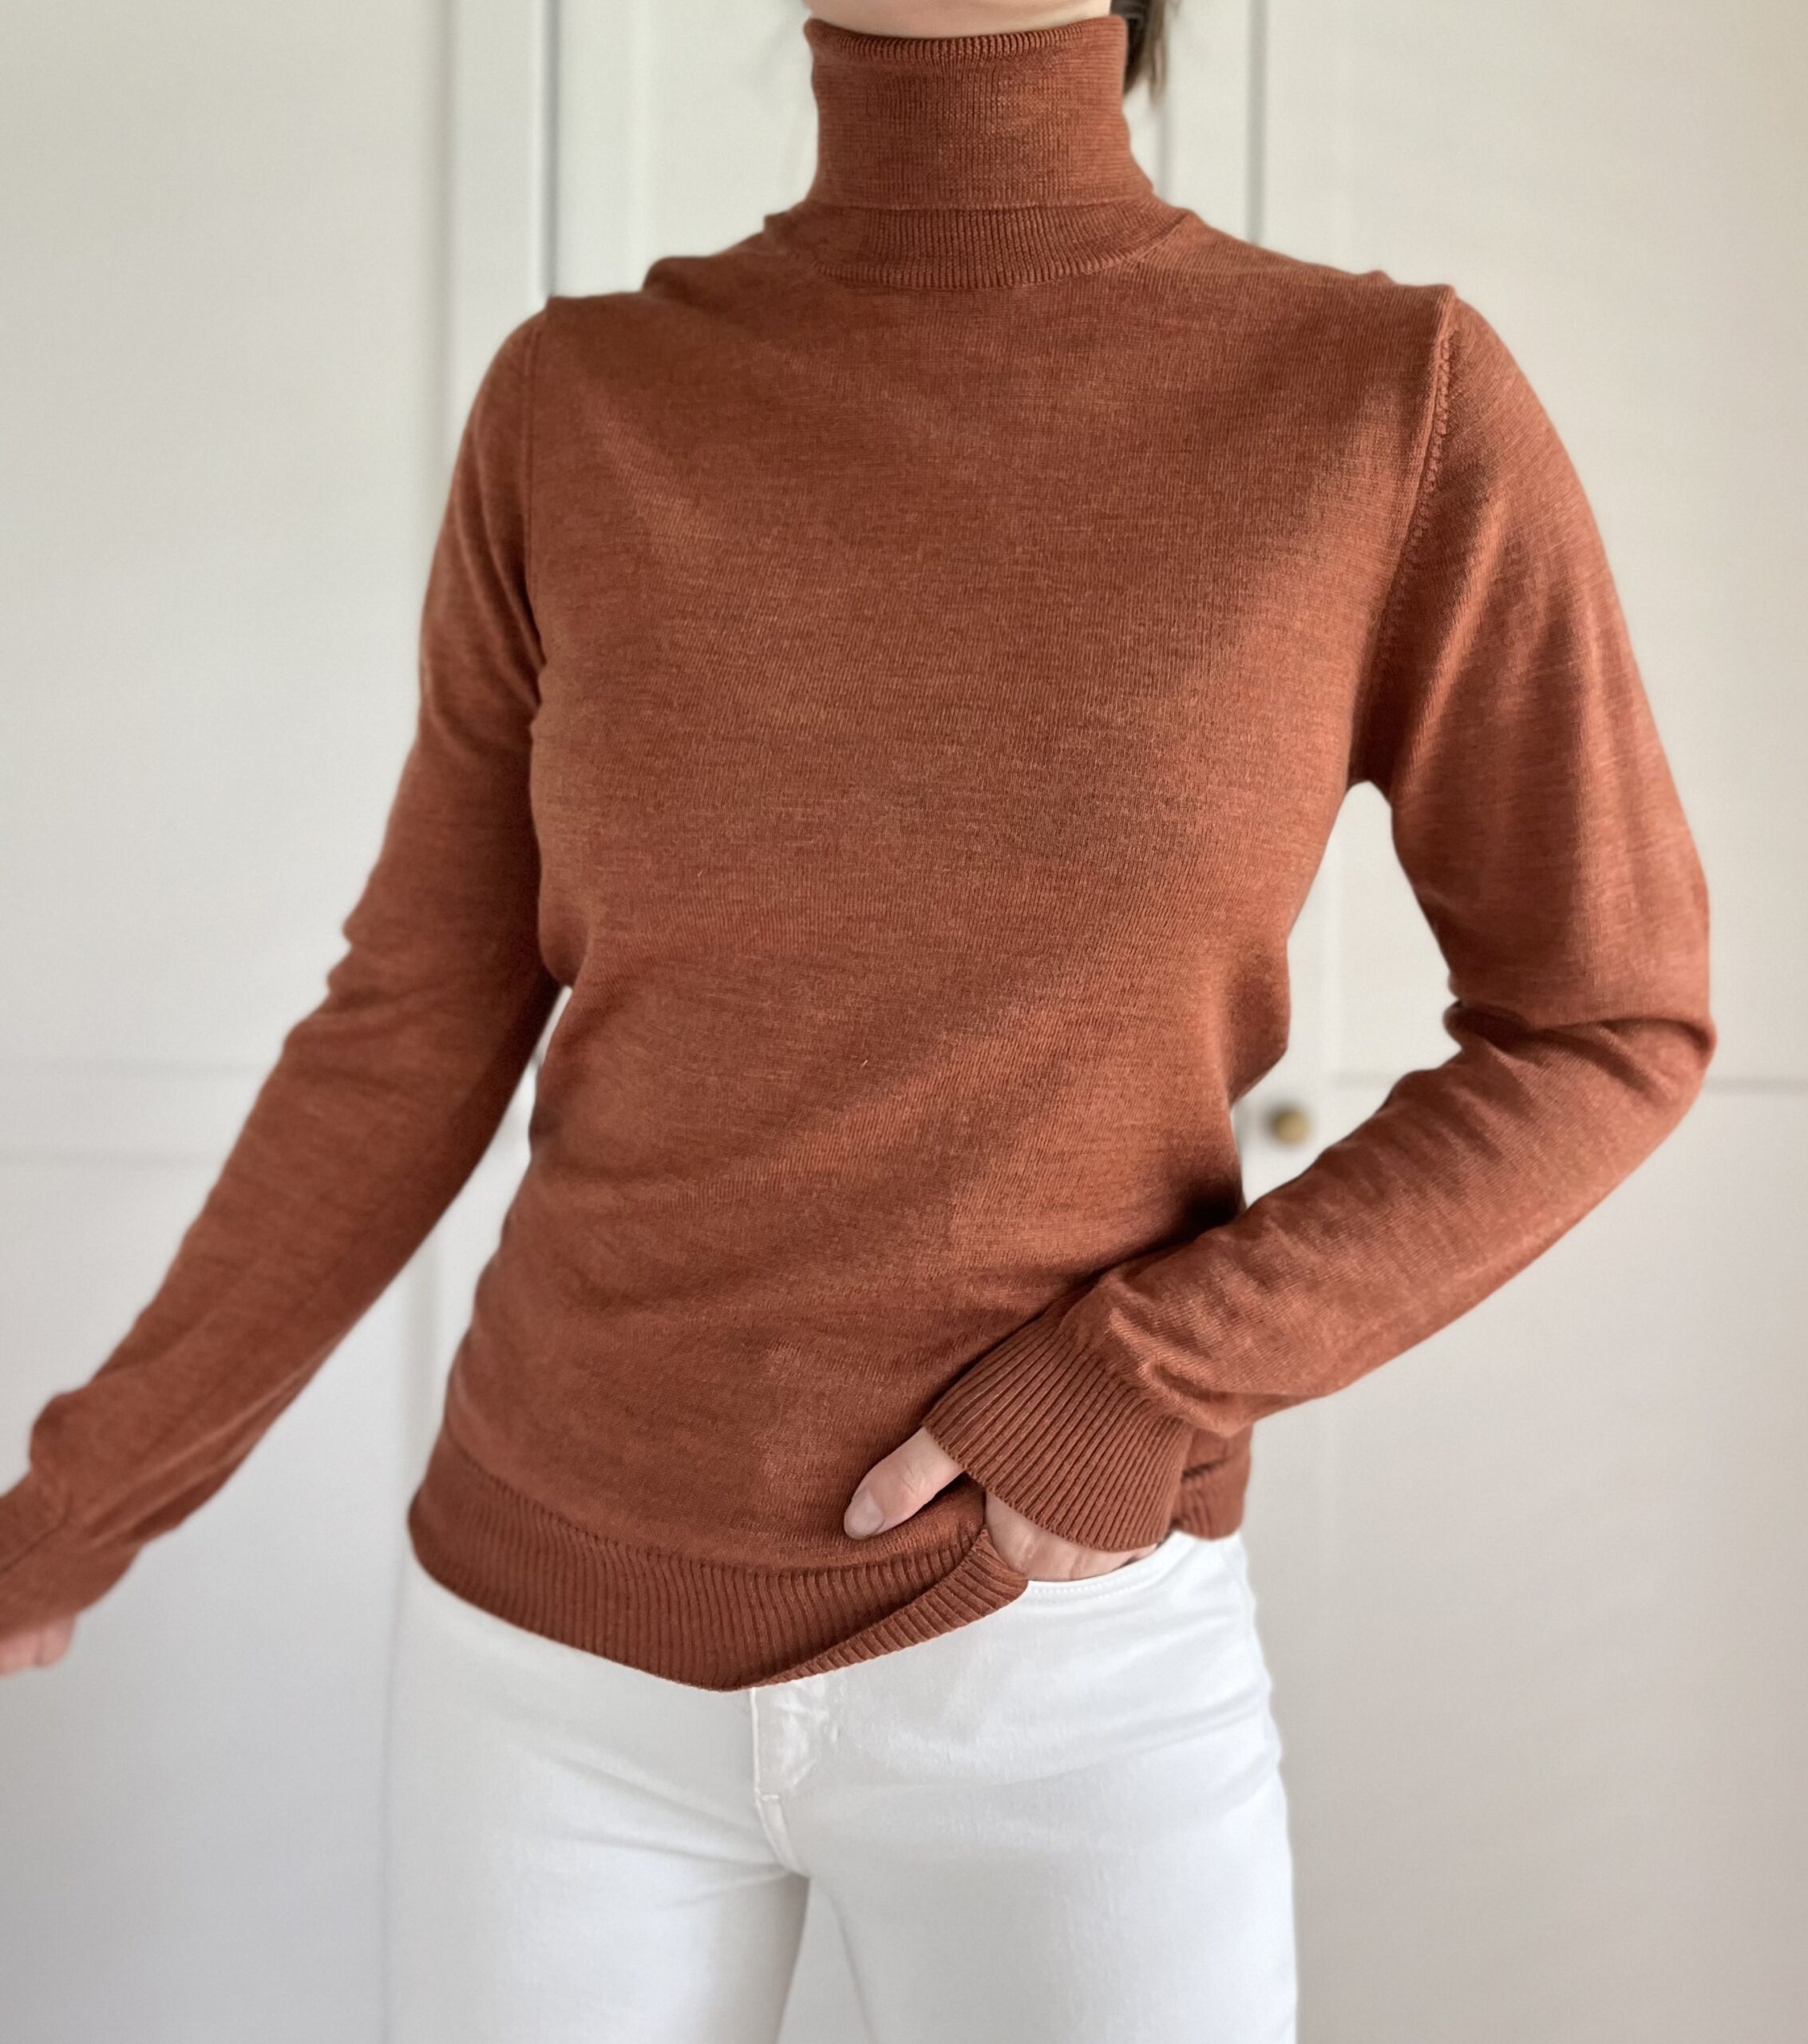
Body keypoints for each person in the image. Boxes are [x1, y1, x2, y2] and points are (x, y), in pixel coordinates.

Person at [0, 1, 1715, 2038]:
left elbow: (1604, 1016)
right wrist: (66, 1514)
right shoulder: (580, 404)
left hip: (1062, 1673)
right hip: (546, 1660)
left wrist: (1141, 1378)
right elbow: (409, 1026)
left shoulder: (1382, 401)